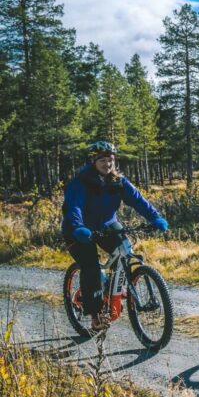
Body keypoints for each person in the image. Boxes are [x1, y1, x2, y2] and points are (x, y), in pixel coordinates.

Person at [61, 141, 169, 331]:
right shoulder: (80, 182)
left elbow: (138, 201)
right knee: (92, 267)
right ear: (93, 161)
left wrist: (156, 218)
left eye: (110, 160)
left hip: (106, 225)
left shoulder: (118, 182)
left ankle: (114, 288)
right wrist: (78, 228)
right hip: (78, 231)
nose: (107, 164)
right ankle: (94, 315)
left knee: (126, 251)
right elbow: (74, 207)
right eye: (102, 160)